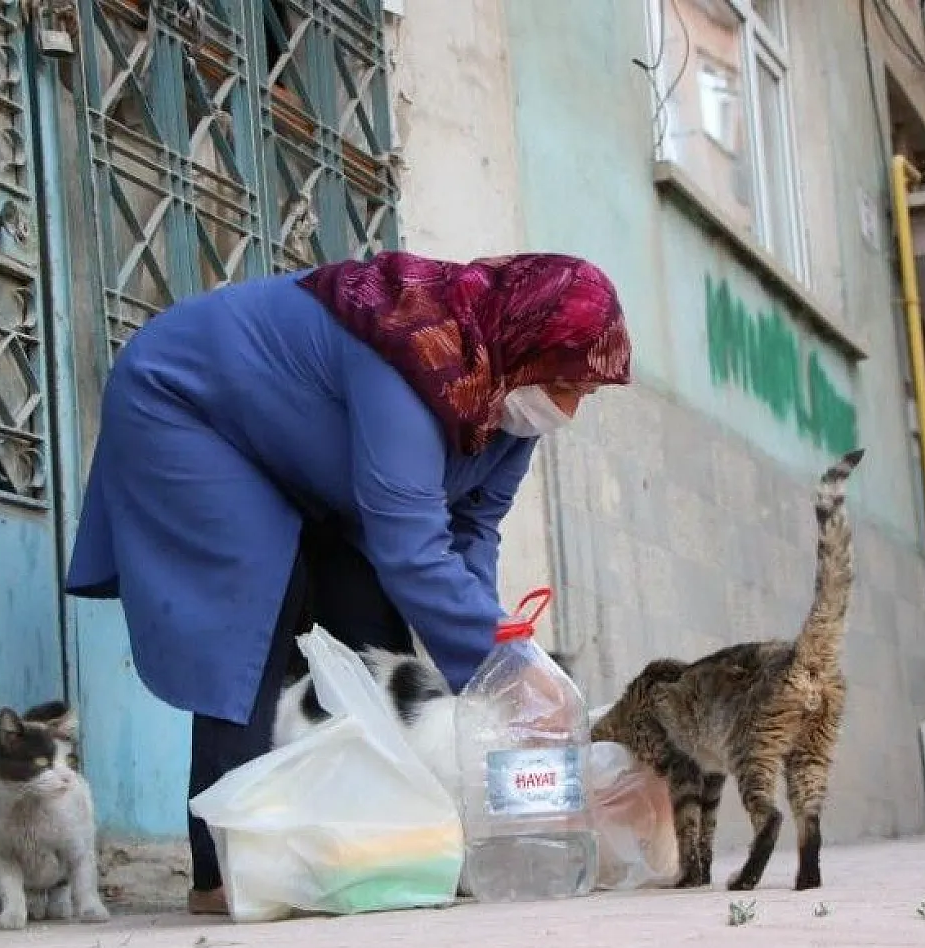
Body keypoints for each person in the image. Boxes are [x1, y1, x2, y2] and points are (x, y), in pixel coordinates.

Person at [63, 249, 633, 914]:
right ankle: (226, 871)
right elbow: (412, 547)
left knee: (373, 633)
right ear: (527, 345)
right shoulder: (413, 350)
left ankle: (355, 850)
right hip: (188, 410)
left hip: (301, 459)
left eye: (582, 394)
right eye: (569, 386)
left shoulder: (509, 406)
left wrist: (492, 658)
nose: (570, 407)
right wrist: (502, 666)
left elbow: (471, 534)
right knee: (250, 622)